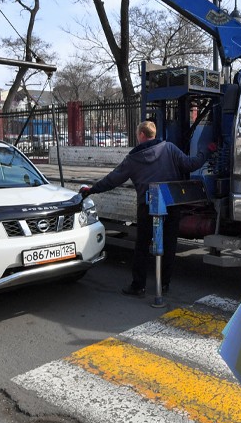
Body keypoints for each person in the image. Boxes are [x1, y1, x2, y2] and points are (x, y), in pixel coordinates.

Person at [80, 120, 213, 296]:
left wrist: (92, 189)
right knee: (169, 245)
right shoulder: (169, 149)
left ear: (142, 135)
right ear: (153, 134)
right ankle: (164, 284)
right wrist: (207, 151)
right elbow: (191, 164)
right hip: (171, 204)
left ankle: (138, 286)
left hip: (147, 206)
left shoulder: (133, 159)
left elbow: (113, 179)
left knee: (142, 246)